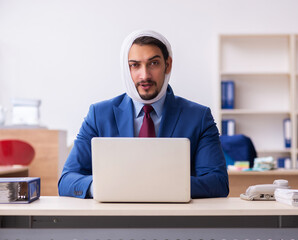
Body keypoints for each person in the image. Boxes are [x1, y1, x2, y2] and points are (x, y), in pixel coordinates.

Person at [58, 30, 229, 199]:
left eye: (153, 63)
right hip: (116, 221)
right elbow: (67, 180)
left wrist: (145, 186)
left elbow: (218, 183)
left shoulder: (198, 117)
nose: (145, 75)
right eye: (135, 65)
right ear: (127, 69)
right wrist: (102, 187)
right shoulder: (99, 115)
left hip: (175, 221)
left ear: (167, 65)